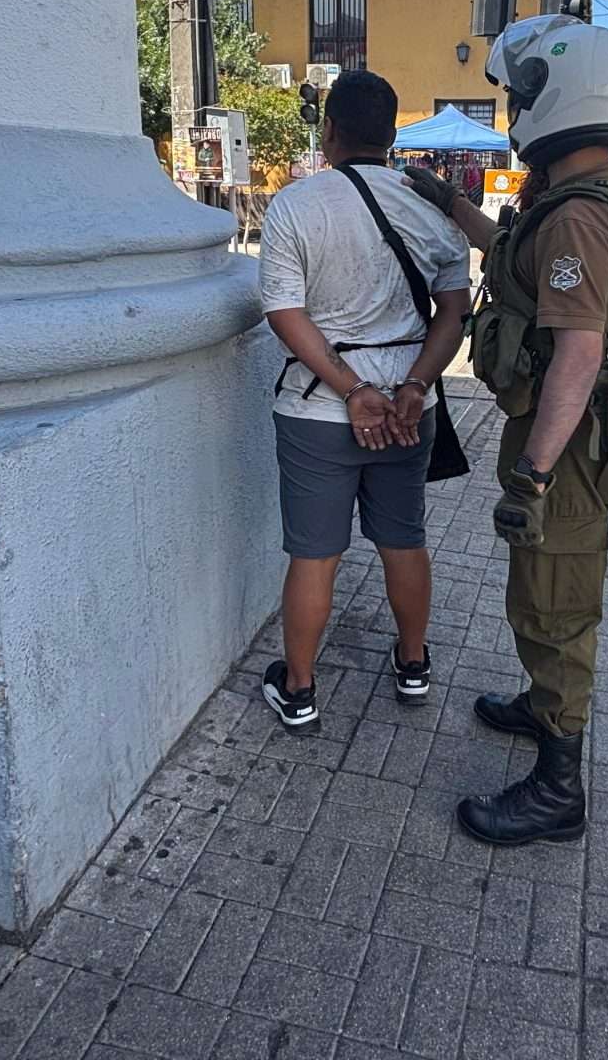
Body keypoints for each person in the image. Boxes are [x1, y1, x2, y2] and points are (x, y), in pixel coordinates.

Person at [404, 15, 608, 847]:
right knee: (542, 593)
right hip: (571, 439)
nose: (515, 108)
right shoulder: (586, 203)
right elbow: (520, 265)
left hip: (564, 450)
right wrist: (453, 203)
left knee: (555, 608)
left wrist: (530, 475)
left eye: (523, 93)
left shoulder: (577, 219)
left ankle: (559, 790)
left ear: (559, 100)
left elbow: (576, 353)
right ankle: (539, 707)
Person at [257, 70, 471, 732]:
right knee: (403, 540)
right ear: (393, 135)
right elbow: (453, 312)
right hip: (411, 410)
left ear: (328, 132)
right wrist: (412, 386)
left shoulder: (296, 205)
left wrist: (353, 392)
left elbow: (284, 314)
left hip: (318, 409)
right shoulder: (431, 206)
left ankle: (298, 690)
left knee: (314, 554)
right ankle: (412, 667)